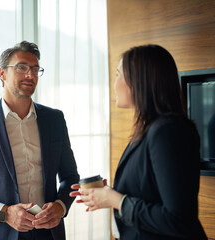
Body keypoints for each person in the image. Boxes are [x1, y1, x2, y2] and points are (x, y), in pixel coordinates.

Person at [70, 44, 207, 239]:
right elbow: (149, 191)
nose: (114, 83)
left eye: (118, 74)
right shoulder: (149, 129)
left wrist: (116, 200)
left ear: (138, 81)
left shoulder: (168, 131)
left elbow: (179, 219)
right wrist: (106, 195)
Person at [0, 41, 79, 240]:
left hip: (48, 233)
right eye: (22, 68)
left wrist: (60, 207)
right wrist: (5, 212)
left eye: (35, 69)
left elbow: (70, 177)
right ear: (2, 74)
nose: (30, 75)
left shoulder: (54, 120)